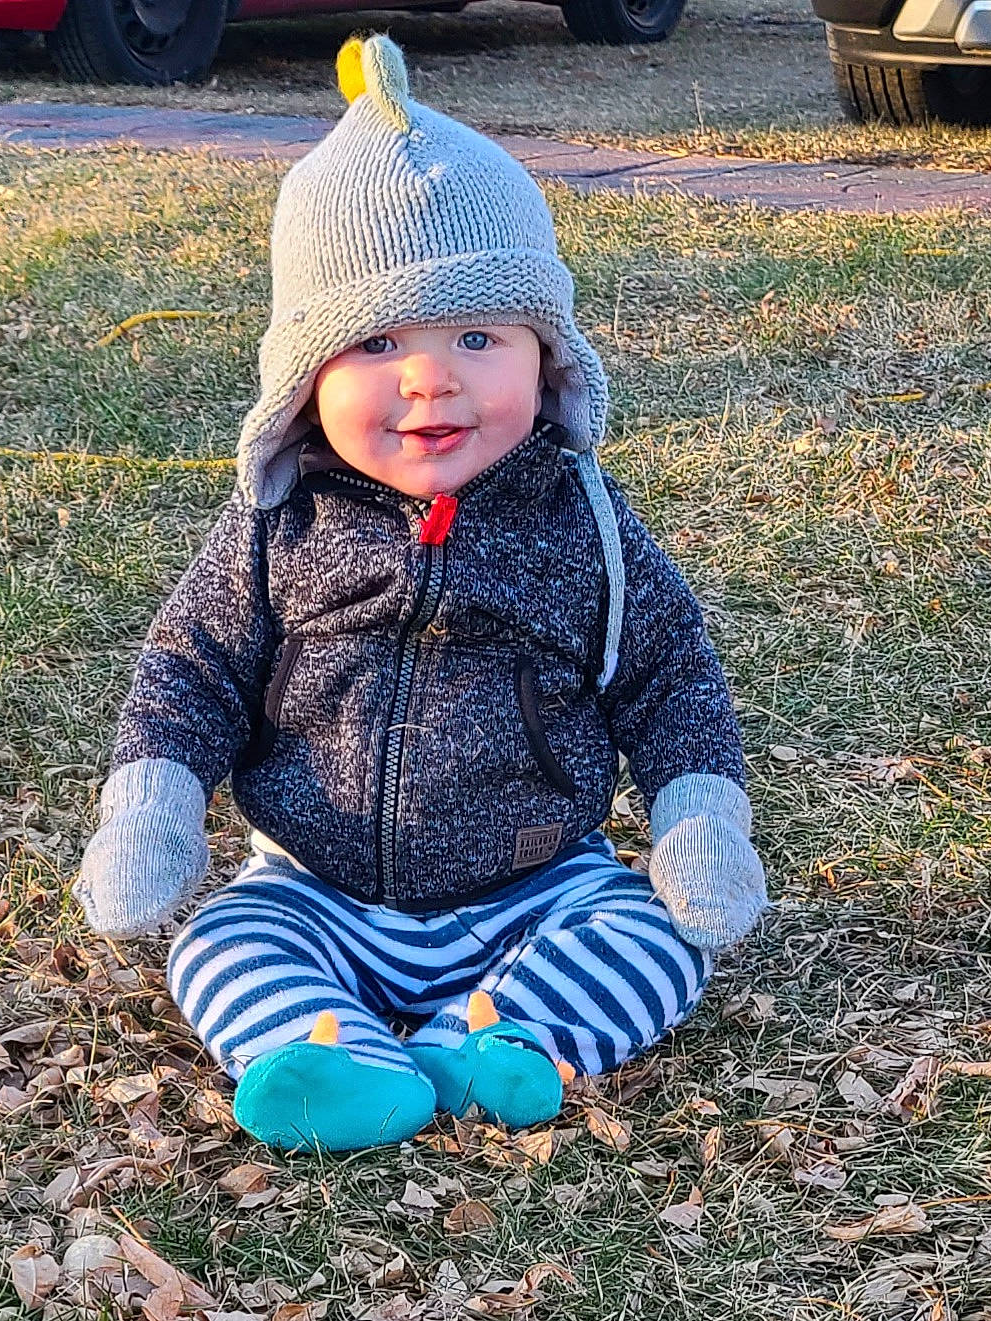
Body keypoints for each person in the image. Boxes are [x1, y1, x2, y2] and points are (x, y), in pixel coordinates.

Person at [73, 33, 766, 1153]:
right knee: (217, 944)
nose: (431, 376)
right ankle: (328, 1045)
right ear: (305, 380)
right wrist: (151, 809)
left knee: (655, 940)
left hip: (539, 883)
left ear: (548, 361)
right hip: (317, 882)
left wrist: (699, 822)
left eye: (479, 334)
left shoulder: (583, 520)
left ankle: (496, 1034)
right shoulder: (275, 524)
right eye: (378, 339)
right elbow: (187, 669)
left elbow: (670, 675)